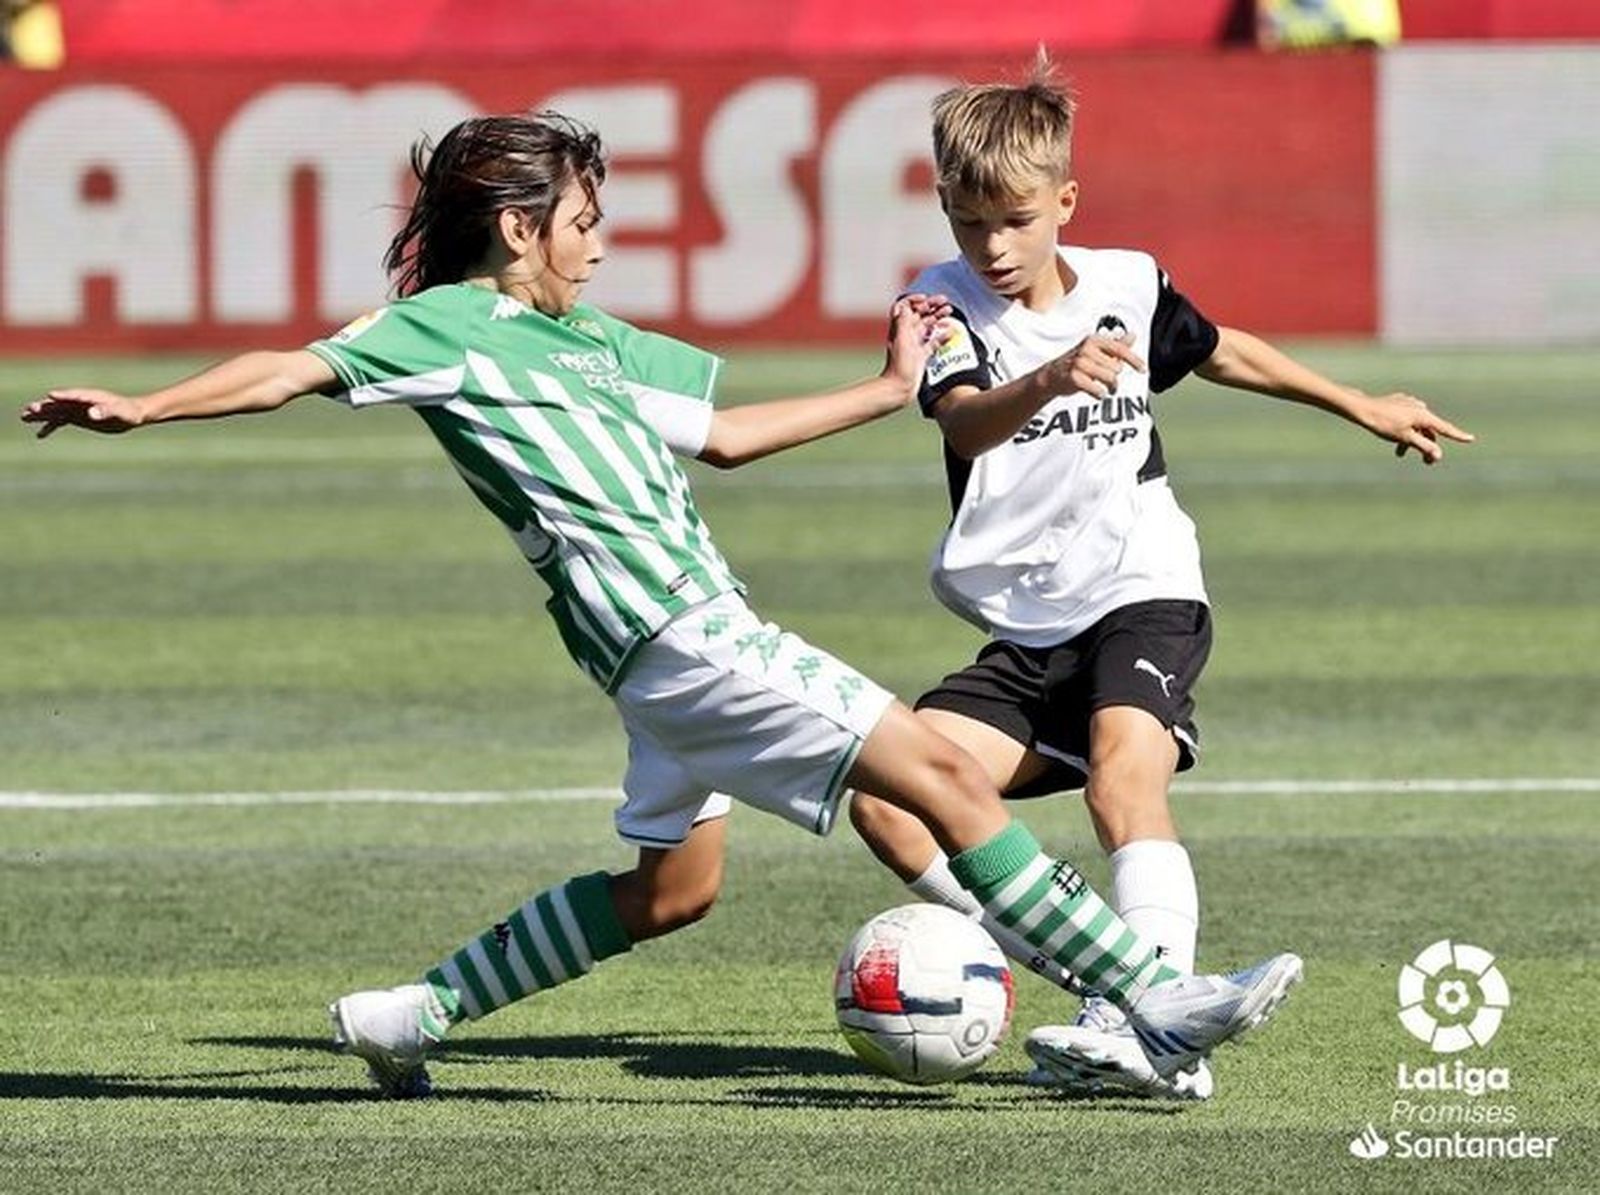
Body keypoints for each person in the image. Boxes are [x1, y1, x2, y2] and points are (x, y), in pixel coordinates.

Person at [23, 111, 1302, 1099]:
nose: (599, 238)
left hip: (655, 653)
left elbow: (728, 440)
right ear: (519, 227)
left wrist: (882, 387)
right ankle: (1151, 994)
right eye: (582, 216)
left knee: (671, 891)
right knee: (936, 777)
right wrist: (150, 405)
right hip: (685, 634)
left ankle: (411, 1013)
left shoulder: (595, 340)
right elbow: (290, 369)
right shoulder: (446, 327)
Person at [848, 59, 1470, 1100]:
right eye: (966, 223)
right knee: (889, 800)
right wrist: (1046, 375)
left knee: (1119, 775)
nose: (989, 247)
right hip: (1025, 626)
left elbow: (1221, 351)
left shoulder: (1128, 284)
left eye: (1012, 219)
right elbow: (959, 416)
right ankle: (1126, 990)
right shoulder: (940, 306)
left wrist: (1357, 400)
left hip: (1143, 586)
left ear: (1064, 203)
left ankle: (1147, 1019)